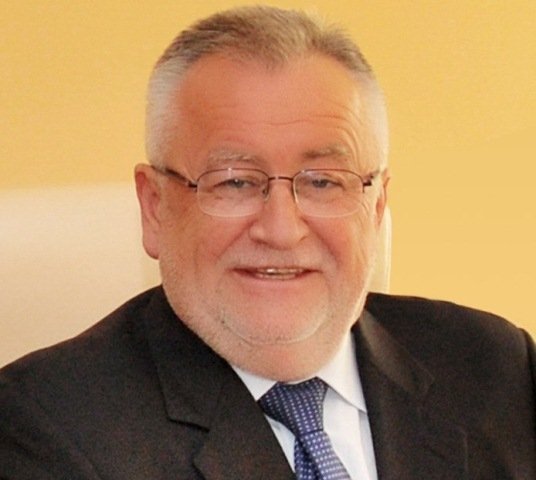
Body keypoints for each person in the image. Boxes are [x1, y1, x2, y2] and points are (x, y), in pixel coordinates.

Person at [0, 5, 534, 479]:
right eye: (234, 182)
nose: (281, 230)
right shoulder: (45, 430)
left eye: (323, 182)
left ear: (376, 207)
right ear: (155, 206)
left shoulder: (498, 369)